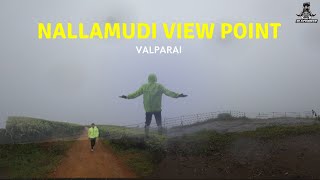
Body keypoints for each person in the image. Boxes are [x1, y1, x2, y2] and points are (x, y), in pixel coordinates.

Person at [120, 73, 187, 137]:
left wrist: (127, 96)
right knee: (159, 123)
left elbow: (136, 94)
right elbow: (168, 92)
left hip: (148, 109)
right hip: (157, 108)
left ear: (148, 78)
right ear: (155, 78)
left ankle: (146, 135)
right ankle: (160, 135)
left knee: (147, 123)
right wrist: (178, 95)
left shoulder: (144, 86)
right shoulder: (159, 86)